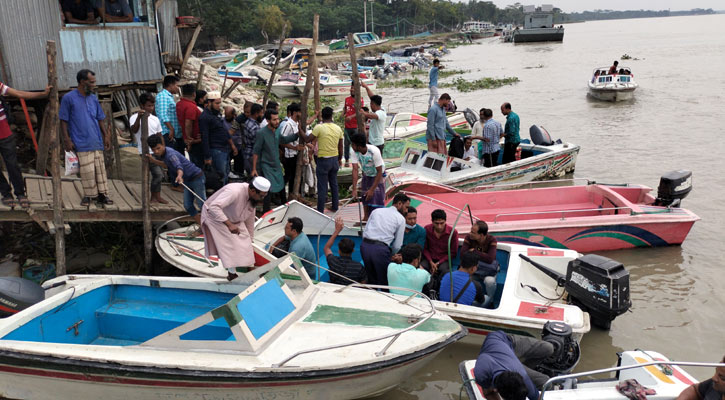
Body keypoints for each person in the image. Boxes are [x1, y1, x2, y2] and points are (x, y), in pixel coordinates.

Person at [60, 69, 113, 207]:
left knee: (100, 170)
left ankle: (102, 195)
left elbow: (100, 118)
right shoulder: (69, 98)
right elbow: (63, 120)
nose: (94, 85)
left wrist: (106, 136)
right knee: (87, 170)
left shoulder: (93, 98)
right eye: (91, 82)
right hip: (80, 140)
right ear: (83, 82)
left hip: (96, 139)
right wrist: (67, 139)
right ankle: (89, 196)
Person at [200, 177, 269, 281]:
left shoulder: (254, 197)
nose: (262, 199)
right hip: (214, 217)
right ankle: (232, 274)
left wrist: (250, 237)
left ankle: (250, 268)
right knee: (231, 244)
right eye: (261, 196)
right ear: (253, 190)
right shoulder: (234, 191)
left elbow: (250, 219)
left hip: (235, 218)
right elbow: (214, 207)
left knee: (246, 241)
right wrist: (229, 224)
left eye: (264, 196)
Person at [0, 81, 49, 208]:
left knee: (12, 164)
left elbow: (19, 93)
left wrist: (42, 94)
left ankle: (20, 194)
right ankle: (6, 194)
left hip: (4, 134)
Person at [474, 330, 555, 400]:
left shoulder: (523, 376)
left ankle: (525, 367)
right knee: (543, 380)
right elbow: (488, 393)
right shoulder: (481, 374)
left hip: (507, 342)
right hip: (497, 346)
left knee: (548, 349)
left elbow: (538, 398)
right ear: (496, 390)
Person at [148, 134, 205, 226]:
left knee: (202, 205)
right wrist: (153, 160)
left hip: (196, 178)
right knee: (188, 206)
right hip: (188, 180)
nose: (156, 151)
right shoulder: (164, 154)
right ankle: (202, 226)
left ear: (163, 144)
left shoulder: (170, 155)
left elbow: (179, 166)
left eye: (158, 148)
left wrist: (179, 175)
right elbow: (167, 165)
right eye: (154, 150)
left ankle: (211, 227)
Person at [252, 109, 299, 212]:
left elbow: (284, 140)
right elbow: (256, 151)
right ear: (268, 121)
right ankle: (266, 213)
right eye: (274, 120)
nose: (277, 121)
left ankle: (285, 210)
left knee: (281, 186)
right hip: (266, 166)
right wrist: (254, 168)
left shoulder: (277, 131)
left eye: (278, 119)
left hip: (276, 164)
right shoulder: (262, 133)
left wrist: (298, 134)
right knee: (268, 190)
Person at [360, 193, 410, 287]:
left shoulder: (377, 211)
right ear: (399, 204)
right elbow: (397, 245)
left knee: (371, 279)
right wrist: (391, 255)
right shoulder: (400, 219)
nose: (407, 211)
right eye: (406, 207)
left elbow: (365, 230)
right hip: (380, 250)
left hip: (365, 246)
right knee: (385, 282)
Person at [129, 93, 167, 204]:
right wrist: (139, 118)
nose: (151, 108)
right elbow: (134, 130)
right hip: (146, 151)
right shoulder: (134, 117)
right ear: (142, 105)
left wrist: (164, 149)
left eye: (152, 106)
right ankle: (153, 197)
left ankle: (157, 196)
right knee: (158, 174)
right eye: (148, 106)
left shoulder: (155, 119)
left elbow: (160, 135)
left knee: (160, 174)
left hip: (157, 151)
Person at [310, 106, 343, 213]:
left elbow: (307, 139)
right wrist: (340, 159)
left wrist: (300, 131)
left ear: (322, 116)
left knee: (322, 186)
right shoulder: (338, 128)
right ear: (332, 116)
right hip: (334, 159)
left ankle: (320, 211)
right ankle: (335, 206)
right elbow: (340, 146)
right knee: (334, 184)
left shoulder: (318, 127)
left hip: (323, 160)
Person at [200, 91, 237, 186]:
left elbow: (223, 130)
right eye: (216, 103)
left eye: (220, 103)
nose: (219, 105)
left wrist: (232, 145)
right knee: (220, 176)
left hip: (224, 149)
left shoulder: (216, 114)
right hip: (216, 150)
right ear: (209, 103)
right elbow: (205, 137)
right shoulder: (205, 117)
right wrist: (207, 156)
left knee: (225, 174)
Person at [421, 209, 459, 297]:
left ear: (445, 221)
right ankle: (424, 290)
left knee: (445, 272)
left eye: (442, 223)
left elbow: (453, 252)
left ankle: (437, 291)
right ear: (432, 222)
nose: (439, 226)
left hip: (443, 260)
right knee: (421, 269)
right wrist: (430, 261)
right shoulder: (427, 229)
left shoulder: (453, 232)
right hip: (429, 258)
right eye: (436, 223)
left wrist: (438, 263)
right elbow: (425, 248)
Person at [349, 133, 385, 221]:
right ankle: (366, 217)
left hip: (378, 174)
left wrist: (372, 189)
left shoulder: (374, 151)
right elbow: (355, 169)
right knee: (365, 196)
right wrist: (354, 188)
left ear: (358, 146)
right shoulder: (353, 151)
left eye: (353, 144)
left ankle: (377, 219)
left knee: (377, 198)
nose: (352, 146)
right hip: (366, 173)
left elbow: (379, 171)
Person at [462, 220, 498, 307]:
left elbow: (490, 259)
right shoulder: (468, 238)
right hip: (473, 270)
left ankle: (490, 301)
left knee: (490, 282)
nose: (470, 233)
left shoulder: (492, 240)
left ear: (481, 235)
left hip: (488, 270)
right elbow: (463, 254)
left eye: (473, 232)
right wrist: (483, 256)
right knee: (463, 279)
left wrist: (474, 251)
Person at [156, 75, 183, 190]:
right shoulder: (162, 96)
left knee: (176, 157)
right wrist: (171, 129)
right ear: (171, 85)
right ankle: (175, 184)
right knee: (172, 158)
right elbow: (162, 115)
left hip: (174, 132)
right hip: (168, 133)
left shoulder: (169, 97)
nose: (178, 88)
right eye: (177, 85)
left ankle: (176, 181)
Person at [323, 217, 366, 285]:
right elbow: (363, 284)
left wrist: (337, 231)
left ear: (339, 251)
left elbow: (327, 248)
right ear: (353, 250)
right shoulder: (359, 267)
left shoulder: (333, 261)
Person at [342, 82, 374, 165]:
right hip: (347, 126)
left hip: (355, 125)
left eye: (353, 88)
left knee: (357, 144)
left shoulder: (360, 99)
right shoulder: (346, 99)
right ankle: (346, 160)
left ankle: (357, 160)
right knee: (346, 144)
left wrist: (351, 117)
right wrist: (343, 114)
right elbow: (345, 108)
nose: (351, 90)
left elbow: (360, 111)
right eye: (351, 88)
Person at [279, 103, 303, 198]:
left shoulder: (297, 123)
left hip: (296, 154)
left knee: (296, 176)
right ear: (295, 113)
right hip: (290, 156)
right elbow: (281, 141)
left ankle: (296, 196)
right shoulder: (288, 124)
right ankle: (289, 196)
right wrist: (294, 148)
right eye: (300, 112)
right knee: (290, 177)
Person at [176, 83, 203, 168]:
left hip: (186, 137)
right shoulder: (191, 107)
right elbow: (188, 123)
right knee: (197, 164)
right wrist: (189, 139)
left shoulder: (179, 104)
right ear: (194, 94)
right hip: (194, 140)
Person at [229, 101, 251, 177]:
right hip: (244, 146)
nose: (247, 114)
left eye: (249, 112)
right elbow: (231, 132)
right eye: (245, 112)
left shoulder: (258, 118)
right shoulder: (239, 119)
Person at [242, 103, 263, 176]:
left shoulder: (248, 122)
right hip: (252, 157)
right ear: (256, 114)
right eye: (261, 113)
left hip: (248, 154)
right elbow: (258, 143)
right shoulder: (254, 127)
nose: (262, 115)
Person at [222, 106, 239, 179]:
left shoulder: (238, 121)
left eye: (228, 116)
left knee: (238, 166)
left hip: (239, 147)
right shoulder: (222, 121)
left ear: (233, 114)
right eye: (226, 116)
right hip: (227, 147)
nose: (227, 118)